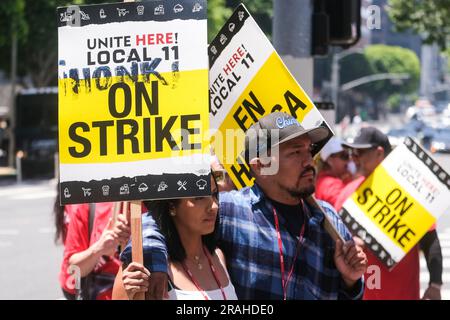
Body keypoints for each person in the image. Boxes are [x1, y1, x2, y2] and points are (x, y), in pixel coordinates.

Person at [119, 112, 368, 300]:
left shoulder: (329, 220)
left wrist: (351, 281)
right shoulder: (231, 210)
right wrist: (155, 265)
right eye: (295, 153)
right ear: (260, 166)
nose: (308, 161)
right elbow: (157, 223)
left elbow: (350, 294)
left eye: (308, 150)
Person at [334, 126, 443, 300]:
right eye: (352, 154)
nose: (354, 160)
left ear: (379, 153)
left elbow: (431, 242)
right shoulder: (348, 193)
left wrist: (435, 286)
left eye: (359, 154)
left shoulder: (409, 195)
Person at [116, 174, 237, 300]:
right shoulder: (143, 264)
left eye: (214, 194)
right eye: (199, 197)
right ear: (172, 206)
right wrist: (128, 296)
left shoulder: (219, 256)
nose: (214, 206)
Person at [60, 201, 130, 300]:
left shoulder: (147, 203)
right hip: (96, 292)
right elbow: (74, 269)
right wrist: (100, 247)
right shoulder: (86, 204)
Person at [315, 137, 355, 207]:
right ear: (330, 160)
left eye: (349, 155)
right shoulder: (329, 184)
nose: (349, 160)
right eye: (344, 156)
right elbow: (348, 207)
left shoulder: (325, 181)